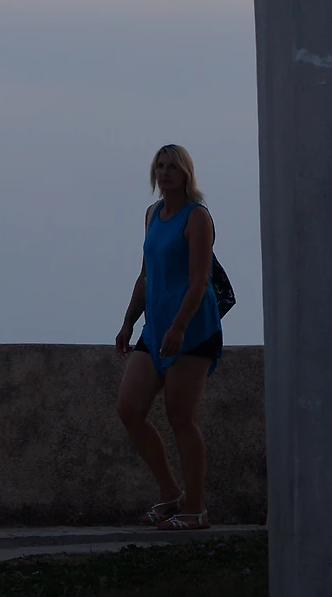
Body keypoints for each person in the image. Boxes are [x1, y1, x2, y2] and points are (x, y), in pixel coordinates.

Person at [114, 143, 222, 530]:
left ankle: (196, 508)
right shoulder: (152, 215)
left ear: (185, 172)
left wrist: (179, 327)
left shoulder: (198, 217)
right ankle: (170, 492)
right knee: (129, 409)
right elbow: (146, 274)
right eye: (160, 166)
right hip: (156, 328)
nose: (164, 173)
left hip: (192, 329)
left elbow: (199, 280)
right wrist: (129, 321)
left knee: (180, 416)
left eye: (172, 166)